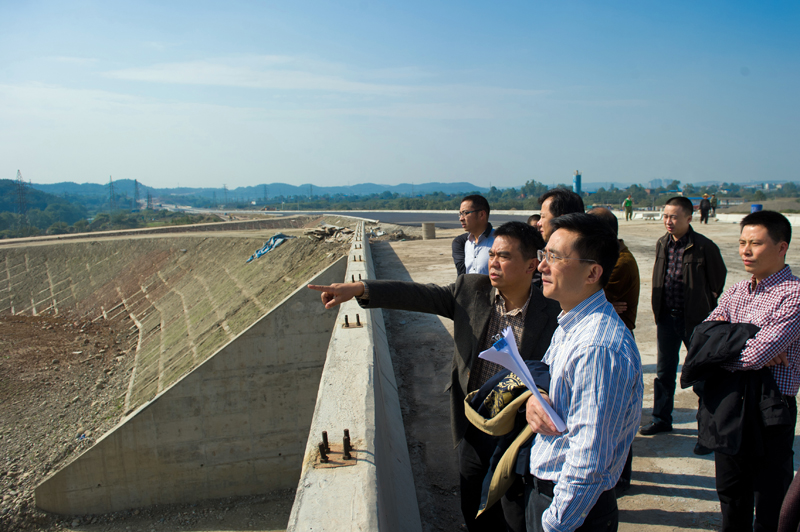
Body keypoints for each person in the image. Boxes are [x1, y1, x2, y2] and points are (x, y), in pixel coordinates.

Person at [309, 221, 562, 532]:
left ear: (531, 265)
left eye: (505, 256)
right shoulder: (472, 290)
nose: (494, 262)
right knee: (472, 506)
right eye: (493, 254)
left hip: (520, 432)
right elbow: (418, 295)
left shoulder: (553, 312)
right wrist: (360, 289)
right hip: (475, 422)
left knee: (514, 512)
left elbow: (559, 370)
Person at [524, 213, 643, 532]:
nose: (541, 266)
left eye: (554, 257)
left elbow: (590, 458)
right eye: (543, 254)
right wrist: (536, 400)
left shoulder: (598, 347)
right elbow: (553, 384)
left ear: (593, 272)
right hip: (554, 496)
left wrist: (554, 522)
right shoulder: (571, 324)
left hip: (572, 511)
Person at [704, 210, 800, 532]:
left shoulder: (794, 295)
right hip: (731, 405)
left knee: (771, 498)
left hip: (770, 407)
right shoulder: (736, 290)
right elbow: (702, 338)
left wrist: (730, 347)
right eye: (742, 242)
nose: (745, 250)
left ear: (781, 247)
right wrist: (749, 341)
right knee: (731, 494)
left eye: (755, 243)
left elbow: (757, 353)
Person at [641, 196, 726, 438]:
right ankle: (661, 419)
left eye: (674, 217)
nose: (668, 221)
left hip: (695, 321)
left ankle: (706, 431)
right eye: (666, 216)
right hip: (667, 318)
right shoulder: (662, 243)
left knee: (700, 375)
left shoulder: (704, 246)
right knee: (664, 373)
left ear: (689, 218)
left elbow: (717, 279)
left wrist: (705, 302)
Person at [588, 207, 641, 493]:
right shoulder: (613, 259)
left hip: (616, 338)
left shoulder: (619, 263)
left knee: (616, 415)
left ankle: (619, 477)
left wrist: (601, 296)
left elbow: (589, 292)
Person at [453, 195, 495, 275]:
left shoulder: (498, 241)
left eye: (465, 213)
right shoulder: (468, 243)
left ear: (481, 215)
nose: (461, 218)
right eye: (460, 214)